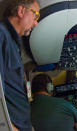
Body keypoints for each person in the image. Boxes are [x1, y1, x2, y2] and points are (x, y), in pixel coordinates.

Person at [0, 0, 40, 130]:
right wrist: (9, 128)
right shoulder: (2, 35)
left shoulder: (13, 42)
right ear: (21, 11)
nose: (36, 23)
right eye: (35, 16)